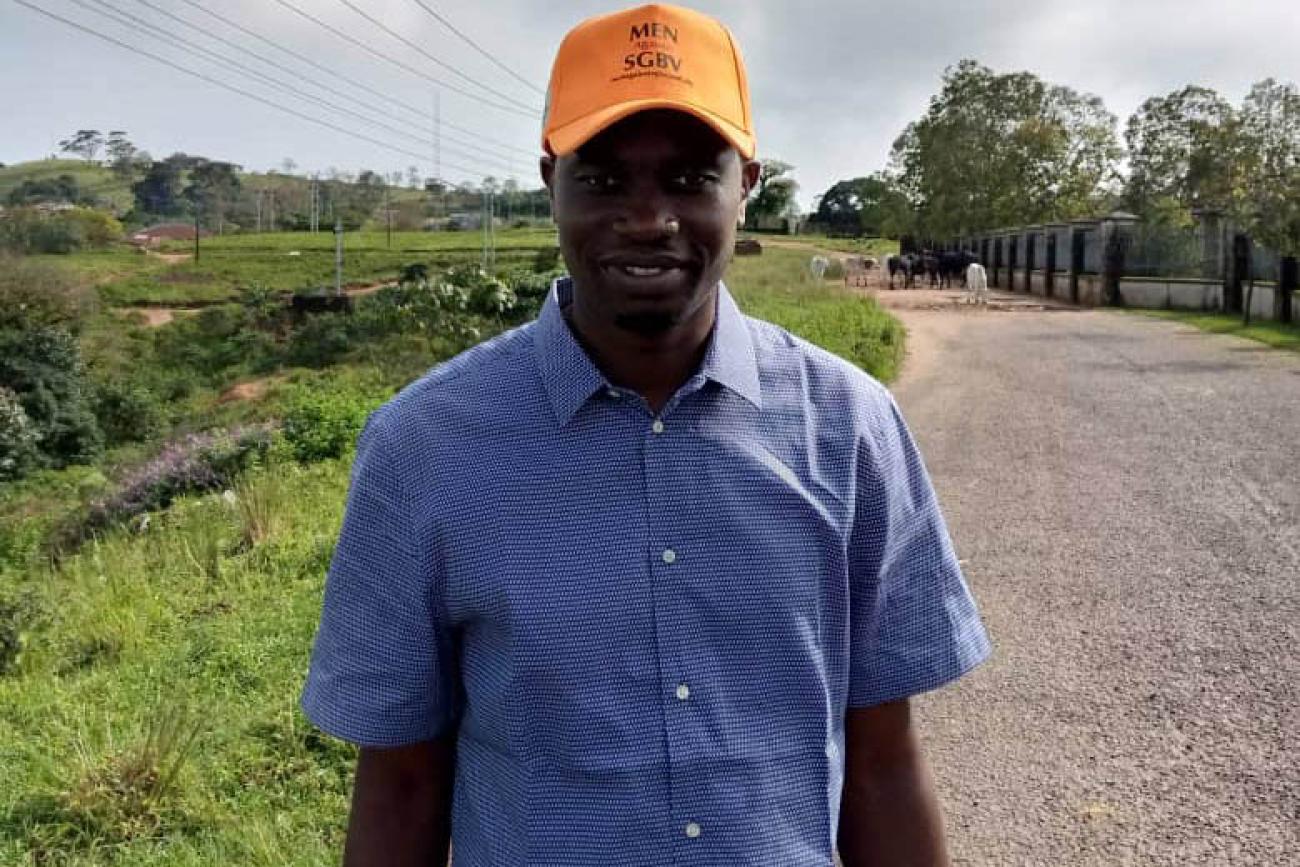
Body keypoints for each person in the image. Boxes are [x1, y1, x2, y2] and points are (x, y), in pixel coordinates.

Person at [300, 4, 991, 865]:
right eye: (603, 180)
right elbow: (401, 783)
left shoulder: (850, 429)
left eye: (690, 178)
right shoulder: (425, 449)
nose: (646, 217)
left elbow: (884, 763)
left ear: (748, 184)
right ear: (550, 179)